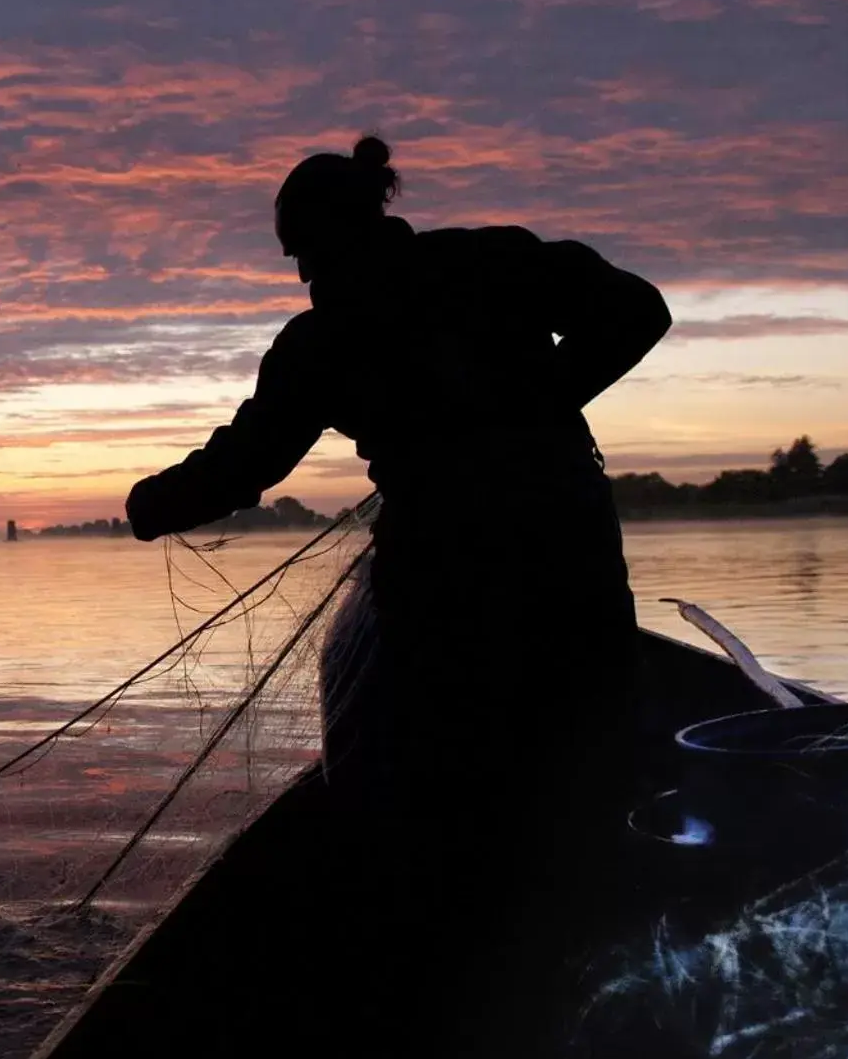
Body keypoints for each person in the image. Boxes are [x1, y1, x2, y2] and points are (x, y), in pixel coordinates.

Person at [125, 134, 671, 802]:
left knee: (442, 752)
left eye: (300, 256)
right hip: (569, 529)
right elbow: (639, 309)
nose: (305, 276)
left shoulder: (323, 342)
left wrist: (149, 505)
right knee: (597, 717)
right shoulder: (494, 258)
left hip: (442, 561)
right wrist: (544, 402)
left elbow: (244, 464)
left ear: (321, 241)